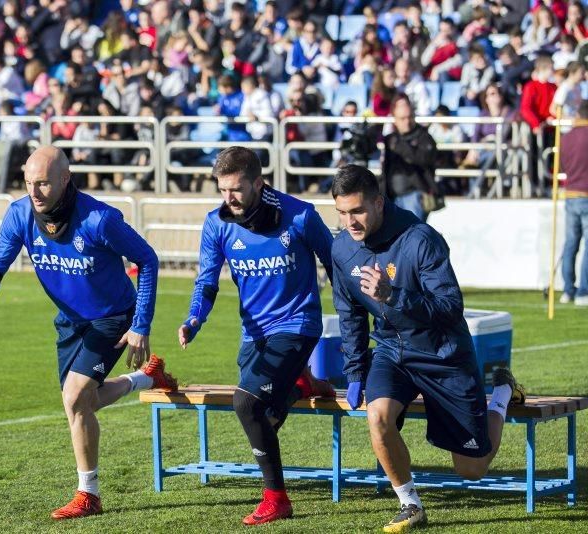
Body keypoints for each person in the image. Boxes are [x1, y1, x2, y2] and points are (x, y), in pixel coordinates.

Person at [0, 146, 178, 520]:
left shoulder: (99, 219)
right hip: (70, 320)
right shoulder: (19, 214)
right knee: (81, 403)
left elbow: (147, 259)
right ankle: (146, 379)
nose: (34, 192)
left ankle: (88, 494)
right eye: (29, 182)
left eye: (44, 183)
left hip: (113, 317)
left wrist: (140, 325)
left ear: (66, 179)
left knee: (76, 396)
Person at [330, 164, 526, 533]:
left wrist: (394, 296)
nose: (349, 221)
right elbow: (350, 312)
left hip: (443, 353)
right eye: (341, 212)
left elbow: (450, 307)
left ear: (378, 202)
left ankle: (500, 393)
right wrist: (356, 371)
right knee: (378, 417)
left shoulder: (420, 239)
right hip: (392, 351)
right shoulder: (341, 248)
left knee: (472, 469)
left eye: (356, 211)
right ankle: (410, 505)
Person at [177, 147, 335, 526]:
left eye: (236, 189)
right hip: (254, 334)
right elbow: (206, 281)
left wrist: (353, 309)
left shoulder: (299, 215)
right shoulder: (217, 223)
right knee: (265, 414)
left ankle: (276, 498)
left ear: (258, 183)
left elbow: (335, 261)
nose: (228, 198)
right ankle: (304, 385)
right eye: (222, 190)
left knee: (246, 404)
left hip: (298, 325)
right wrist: (194, 319)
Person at [381, 93, 439, 222]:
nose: (407, 122)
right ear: (394, 118)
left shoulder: (424, 137)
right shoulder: (391, 139)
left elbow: (423, 159)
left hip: (415, 197)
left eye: (409, 117)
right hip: (392, 198)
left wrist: (400, 146)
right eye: (402, 118)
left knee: (412, 236)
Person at [559, 101, 588, 306]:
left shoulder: (566, 138)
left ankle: (568, 289)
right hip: (586, 194)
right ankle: (583, 291)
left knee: (570, 244)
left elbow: (560, 165)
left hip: (570, 194)